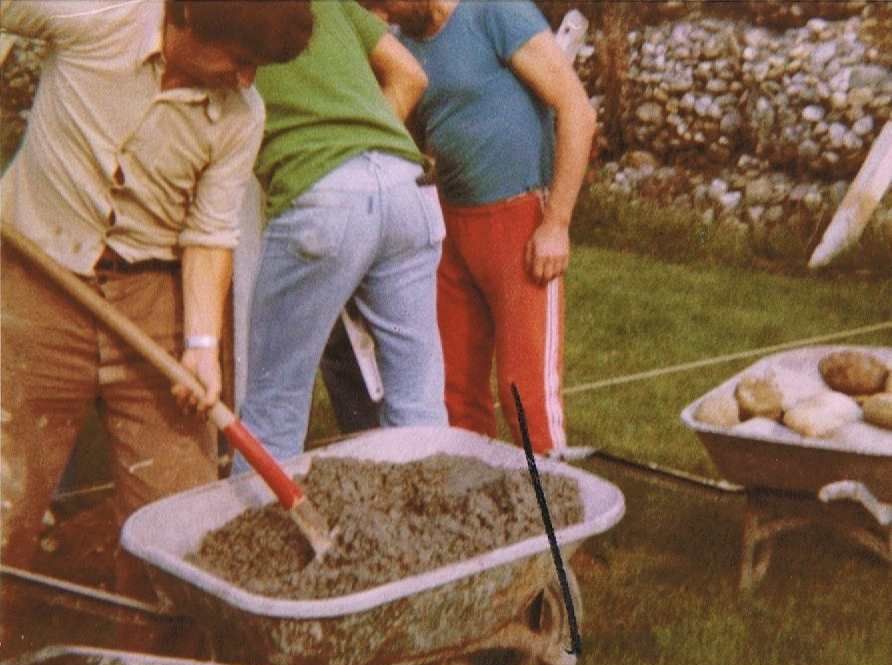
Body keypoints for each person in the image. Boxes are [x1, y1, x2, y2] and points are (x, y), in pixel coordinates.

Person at [0, 0, 314, 581]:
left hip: (152, 298)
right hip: (37, 279)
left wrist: (200, 342)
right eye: (241, 60)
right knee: (6, 503)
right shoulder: (102, 18)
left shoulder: (241, 115)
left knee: (180, 526)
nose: (245, 79)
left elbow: (210, 232)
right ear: (188, 18)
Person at [366, 0, 597, 456]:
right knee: (454, 388)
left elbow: (577, 111)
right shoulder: (405, 44)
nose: (383, 15)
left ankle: (554, 514)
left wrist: (556, 225)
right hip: (452, 226)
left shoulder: (496, 12)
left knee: (524, 388)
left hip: (521, 220)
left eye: (384, 3)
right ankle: (478, 506)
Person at [232, 0, 448, 472]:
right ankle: (436, 534)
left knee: (273, 407)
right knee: (418, 404)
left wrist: (340, 163)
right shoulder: (328, 2)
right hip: (404, 183)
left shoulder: (218, 13)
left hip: (322, 194)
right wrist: (362, 148)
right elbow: (411, 75)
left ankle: (257, 538)